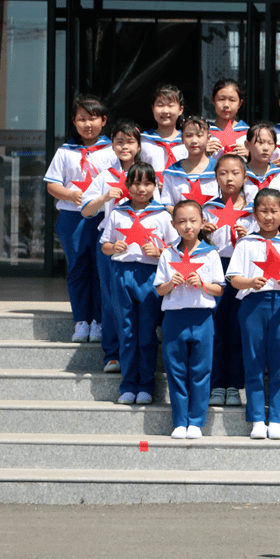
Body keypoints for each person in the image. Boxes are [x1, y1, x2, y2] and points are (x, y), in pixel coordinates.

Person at [227, 188, 280, 440]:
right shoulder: (246, 243)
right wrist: (250, 281)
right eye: (263, 210)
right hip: (253, 305)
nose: (269, 216)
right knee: (253, 363)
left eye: (274, 211)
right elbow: (234, 279)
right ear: (254, 213)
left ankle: (276, 419)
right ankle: (256, 420)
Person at [99, 162, 179, 405]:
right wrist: (113, 247)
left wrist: (159, 251)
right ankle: (128, 385)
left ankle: (145, 385)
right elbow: (104, 245)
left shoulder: (163, 215)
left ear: (155, 186)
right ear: (127, 186)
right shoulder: (117, 213)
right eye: (136, 183)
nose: (141, 188)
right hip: (121, 273)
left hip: (149, 276)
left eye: (147, 183)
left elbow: (175, 249)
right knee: (126, 330)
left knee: (146, 332)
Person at [44, 94, 117, 342]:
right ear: (74, 123)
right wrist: (70, 194)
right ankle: (81, 321)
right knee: (77, 268)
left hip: (102, 218)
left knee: (100, 270)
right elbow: (52, 185)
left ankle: (98, 321)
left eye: (93, 118)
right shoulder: (65, 151)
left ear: (104, 120)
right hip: (72, 218)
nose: (87, 124)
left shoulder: (112, 150)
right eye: (81, 119)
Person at [153, 200, 225, 439]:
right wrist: (170, 283)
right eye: (182, 221)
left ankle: (196, 421)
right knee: (176, 371)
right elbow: (159, 290)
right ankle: (180, 421)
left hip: (202, 318)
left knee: (201, 371)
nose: (188, 226)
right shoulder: (167, 253)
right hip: (174, 318)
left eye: (193, 221)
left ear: (202, 222)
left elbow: (219, 289)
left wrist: (202, 284)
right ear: (173, 224)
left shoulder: (211, 253)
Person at [81, 120, 145, 372]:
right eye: (119, 141)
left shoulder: (146, 175)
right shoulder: (105, 176)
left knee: (140, 299)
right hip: (110, 245)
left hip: (141, 246)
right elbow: (86, 211)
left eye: (130, 141)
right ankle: (112, 353)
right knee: (110, 299)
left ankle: (139, 351)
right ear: (112, 145)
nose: (124, 146)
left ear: (139, 146)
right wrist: (104, 197)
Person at [203, 154, 253, 408]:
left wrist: (250, 236)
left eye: (235, 173)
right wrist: (204, 236)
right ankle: (216, 384)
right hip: (216, 268)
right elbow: (196, 246)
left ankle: (234, 385)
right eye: (223, 173)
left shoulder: (254, 210)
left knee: (238, 328)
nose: (229, 178)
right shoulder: (207, 209)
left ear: (245, 177)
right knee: (216, 328)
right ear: (215, 177)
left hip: (243, 272)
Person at [160, 116, 218, 210]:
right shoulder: (172, 173)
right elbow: (167, 204)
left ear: (208, 138)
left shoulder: (219, 170)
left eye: (199, 135)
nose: (194, 141)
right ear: (182, 139)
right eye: (189, 135)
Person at [140, 84, 187, 176]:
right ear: (153, 108)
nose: (165, 111)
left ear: (180, 110)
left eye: (170, 105)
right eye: (160, 105)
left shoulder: (188, 141)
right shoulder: (143, 141)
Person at [244, 122, 280, 198]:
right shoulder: (240, 175)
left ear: (275, 147)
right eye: (260, 142)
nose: (266, 148)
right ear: (247, 144)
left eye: (270, 143)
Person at [206, 78, 249, 159]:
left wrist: (251, 156)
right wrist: (201, 153)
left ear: (240, 103)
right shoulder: (204, 132)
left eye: (232, 100)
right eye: (221, 99)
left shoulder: (248, 133)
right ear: (213, 100)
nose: (226, 105)